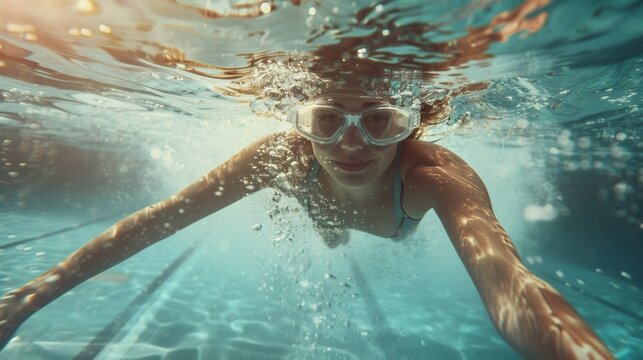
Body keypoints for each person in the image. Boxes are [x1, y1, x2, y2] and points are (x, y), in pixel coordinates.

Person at [0, 84, 614, 359]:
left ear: (412, 123)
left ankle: (328, 224)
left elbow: (509, 281)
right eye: (326, 120)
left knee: (326, 215)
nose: (351, 144)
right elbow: (157, 222)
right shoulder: (280, 156)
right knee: (313, 208)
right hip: (313, 199)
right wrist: (25, 298)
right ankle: (324, 224)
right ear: (302, 120)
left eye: (379, 120)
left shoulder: (434, 177)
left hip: (392, 222)